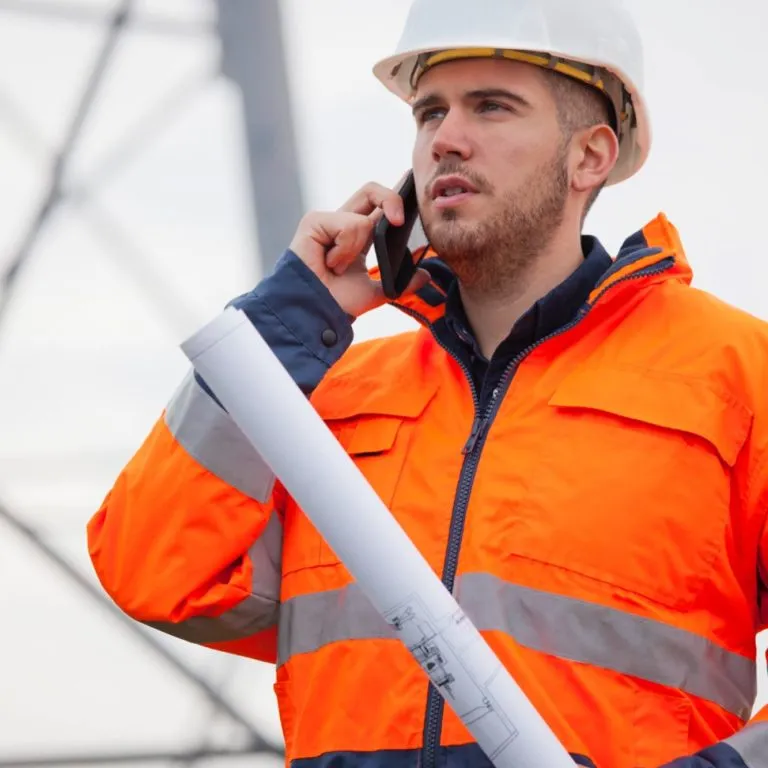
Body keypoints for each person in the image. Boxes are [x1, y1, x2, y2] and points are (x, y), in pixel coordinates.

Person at [86, 0, 768, 766]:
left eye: (492, 107)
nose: (445, 139)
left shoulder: (737, 377)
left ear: (591, 157)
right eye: (429, 112)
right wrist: (288, 320)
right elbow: (152, 571)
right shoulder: (333, 392)